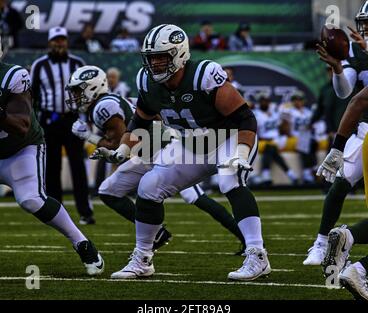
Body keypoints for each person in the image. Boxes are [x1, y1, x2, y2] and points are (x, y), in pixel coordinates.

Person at [92, 24, 270, 281]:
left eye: (160, 57)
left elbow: (245, 118)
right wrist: (122, 150)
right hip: (192, 143)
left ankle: (257, 256)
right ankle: (143, 259)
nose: (154, 64)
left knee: (229, 178)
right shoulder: (147, 81)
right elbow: (140, 122)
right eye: (150, 58)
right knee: (149, 186)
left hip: (227, 137)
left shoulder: (203, 75)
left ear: (179, 54)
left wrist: (241, 153)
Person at [67, 65, 246, 254]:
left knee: (196, 197)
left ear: (92, 87)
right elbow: (155, 116)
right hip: (149, 152)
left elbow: (119, 144)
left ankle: (248, 240)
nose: (76, 96)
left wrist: (88, 136)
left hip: (164, 150)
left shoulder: (103, 107)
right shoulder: (116, 100)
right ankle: (157, 233)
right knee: (108, 190)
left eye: (79, 90)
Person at [0, 41, 104, 276]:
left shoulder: (13, 75)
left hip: (20, 149)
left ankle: (82, 243)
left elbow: (22, 125)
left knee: (31, 199)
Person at [303, 2, 368, 266]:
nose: (365, 28)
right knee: (340, 181)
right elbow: (345, 93)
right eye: (365, 22)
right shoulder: (356, 50)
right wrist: (339, 70)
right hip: (366, 131)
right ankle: (321, 242)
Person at [30, 27, 94, 225]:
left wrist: (86, 118)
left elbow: (89, 91)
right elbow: (32, 96)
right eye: (56, 40)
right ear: (50, 43)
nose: (59, 43)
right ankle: (55, 214)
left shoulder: (78, 63)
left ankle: (85, 212)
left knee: (78, 166)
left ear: (67, 41)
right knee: (52, 167)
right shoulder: (39, 65)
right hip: (49, 120)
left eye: (62, 40)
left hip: (72, 119)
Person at [253, 93, 297, 185]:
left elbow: (282, 128)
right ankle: (289, 173)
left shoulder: (274, 113)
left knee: (272, 147)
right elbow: (254, 131)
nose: (265, 103)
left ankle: (266, 174)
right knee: (270, 147)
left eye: (266, 101)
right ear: (259, 102)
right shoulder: (256, 114)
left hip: (276, 140)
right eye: (263, 101)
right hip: (262, 142)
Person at [281, 91, 316, 184]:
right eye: (295, 99)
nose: (297, 101)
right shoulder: (289, 111)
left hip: (306, 138)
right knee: (304, 142)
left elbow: (312, 128)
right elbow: (284, 128)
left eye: (299, 99)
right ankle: (307, 172)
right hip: (293, 137)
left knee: (312, 141)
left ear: (303, 101)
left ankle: (312, 168)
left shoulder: (308, 112)